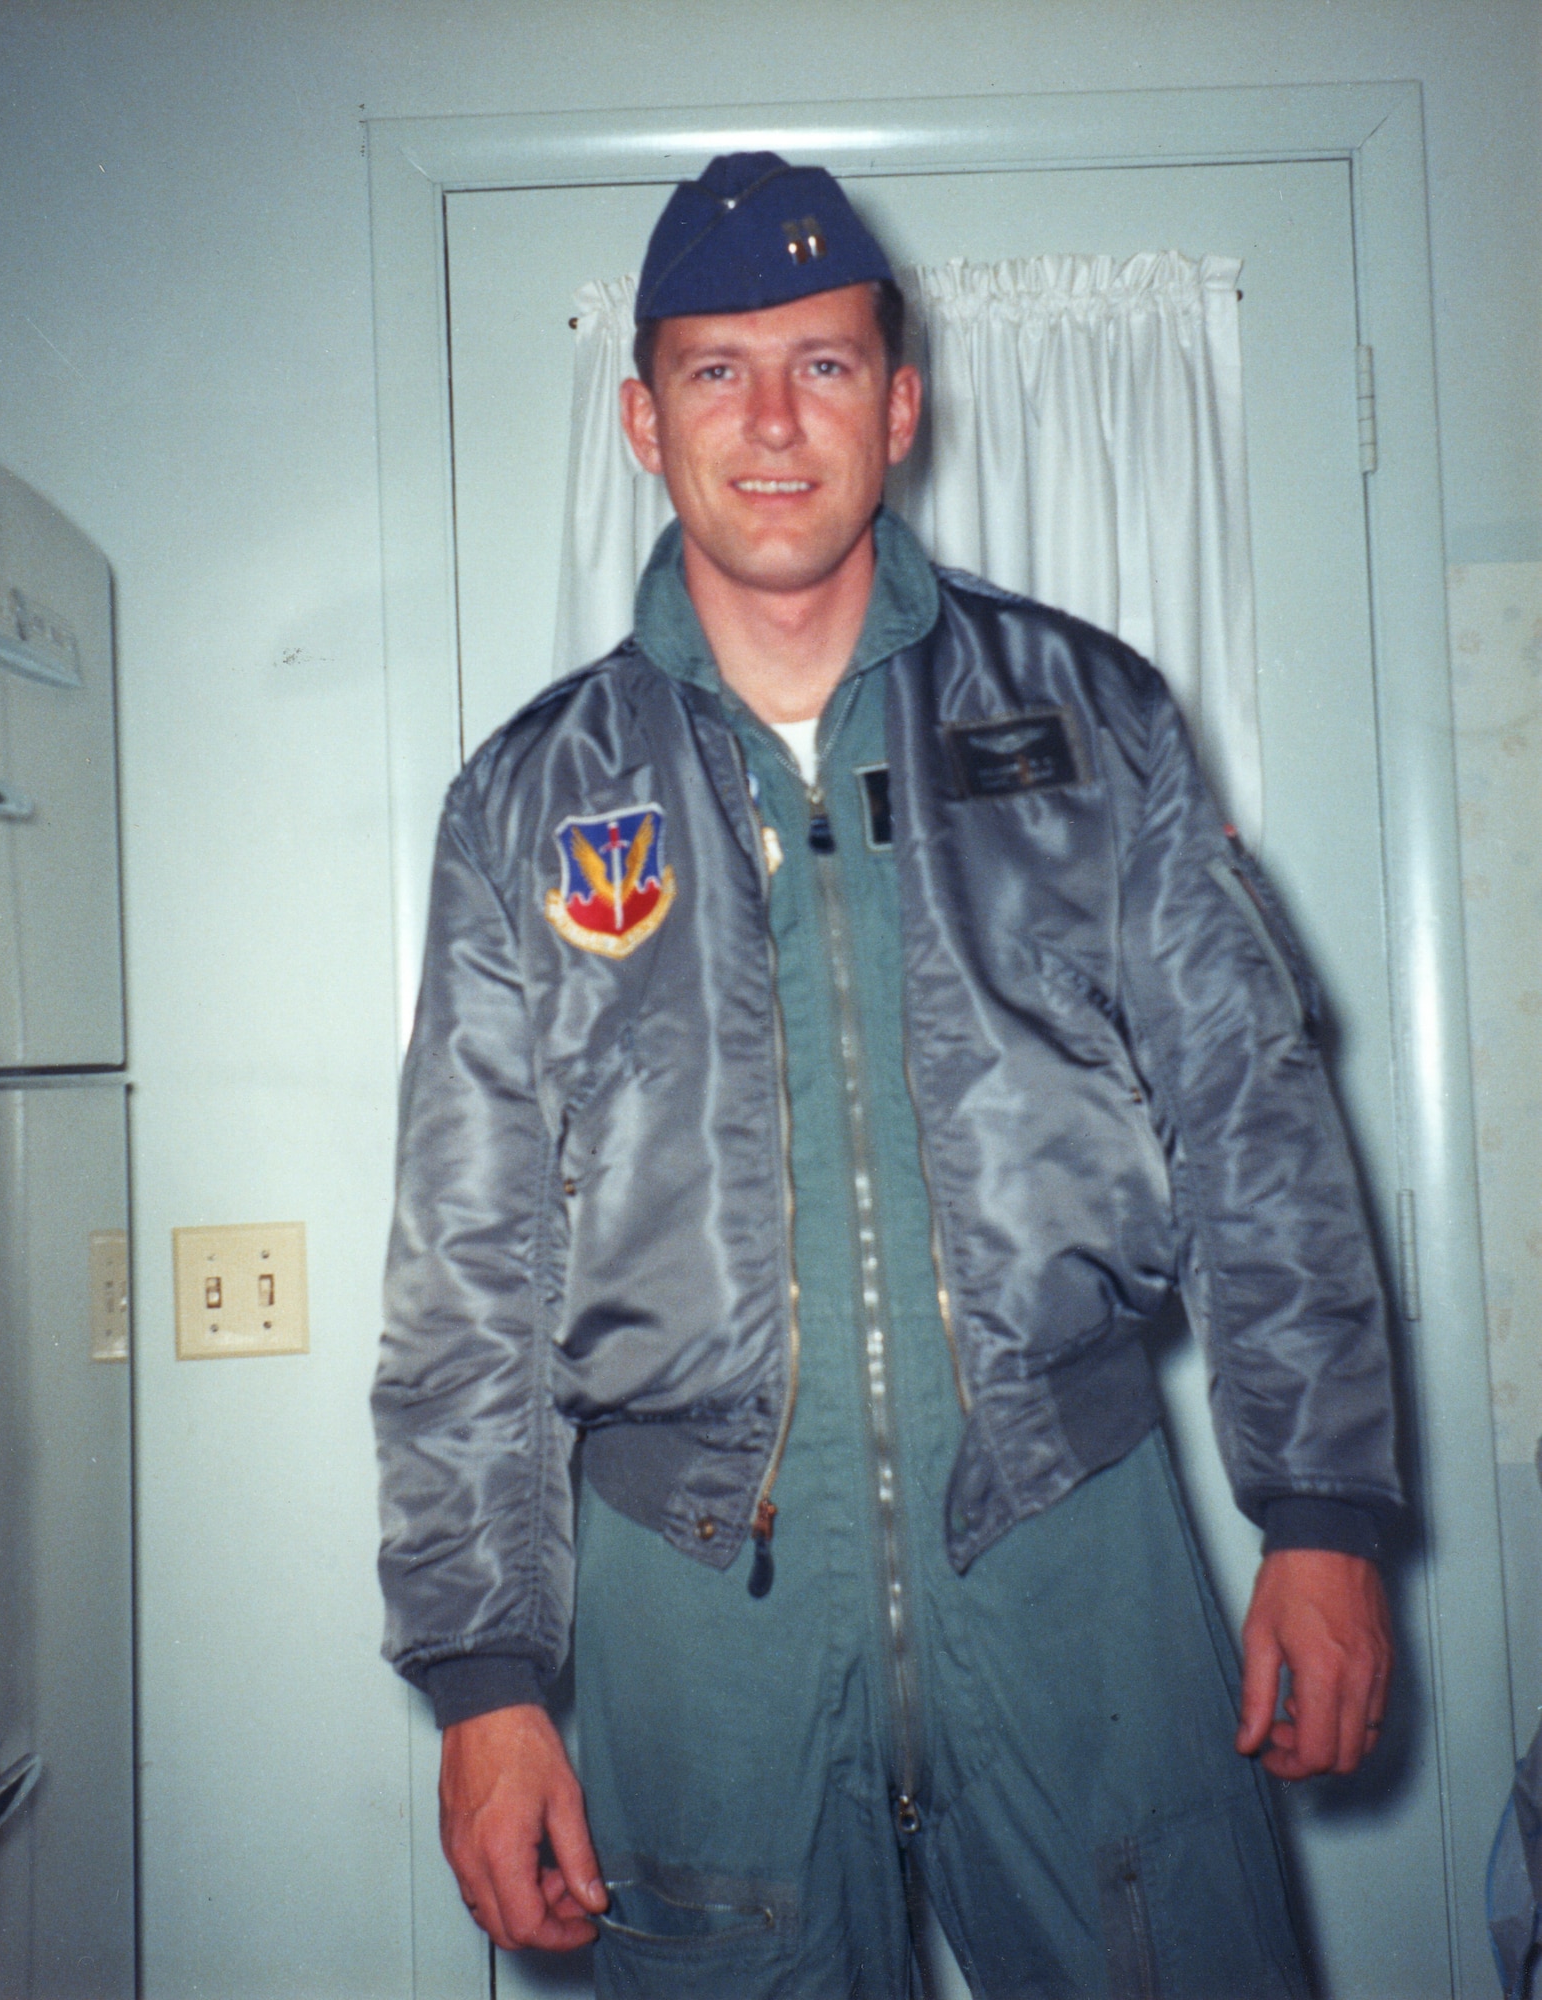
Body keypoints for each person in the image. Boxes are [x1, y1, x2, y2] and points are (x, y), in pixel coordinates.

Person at [373, 152, 1400, 1998]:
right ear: (642, 415)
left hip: (1075, 1557)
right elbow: (467, 1270)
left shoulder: (1093, 721)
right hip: (696, 1614)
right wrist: (487, 1684)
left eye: (825, 366)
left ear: (901, 402)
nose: (772, 422)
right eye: (716, 370)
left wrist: (1318, 1521)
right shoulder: (524, 803)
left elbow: (1261, 1121)